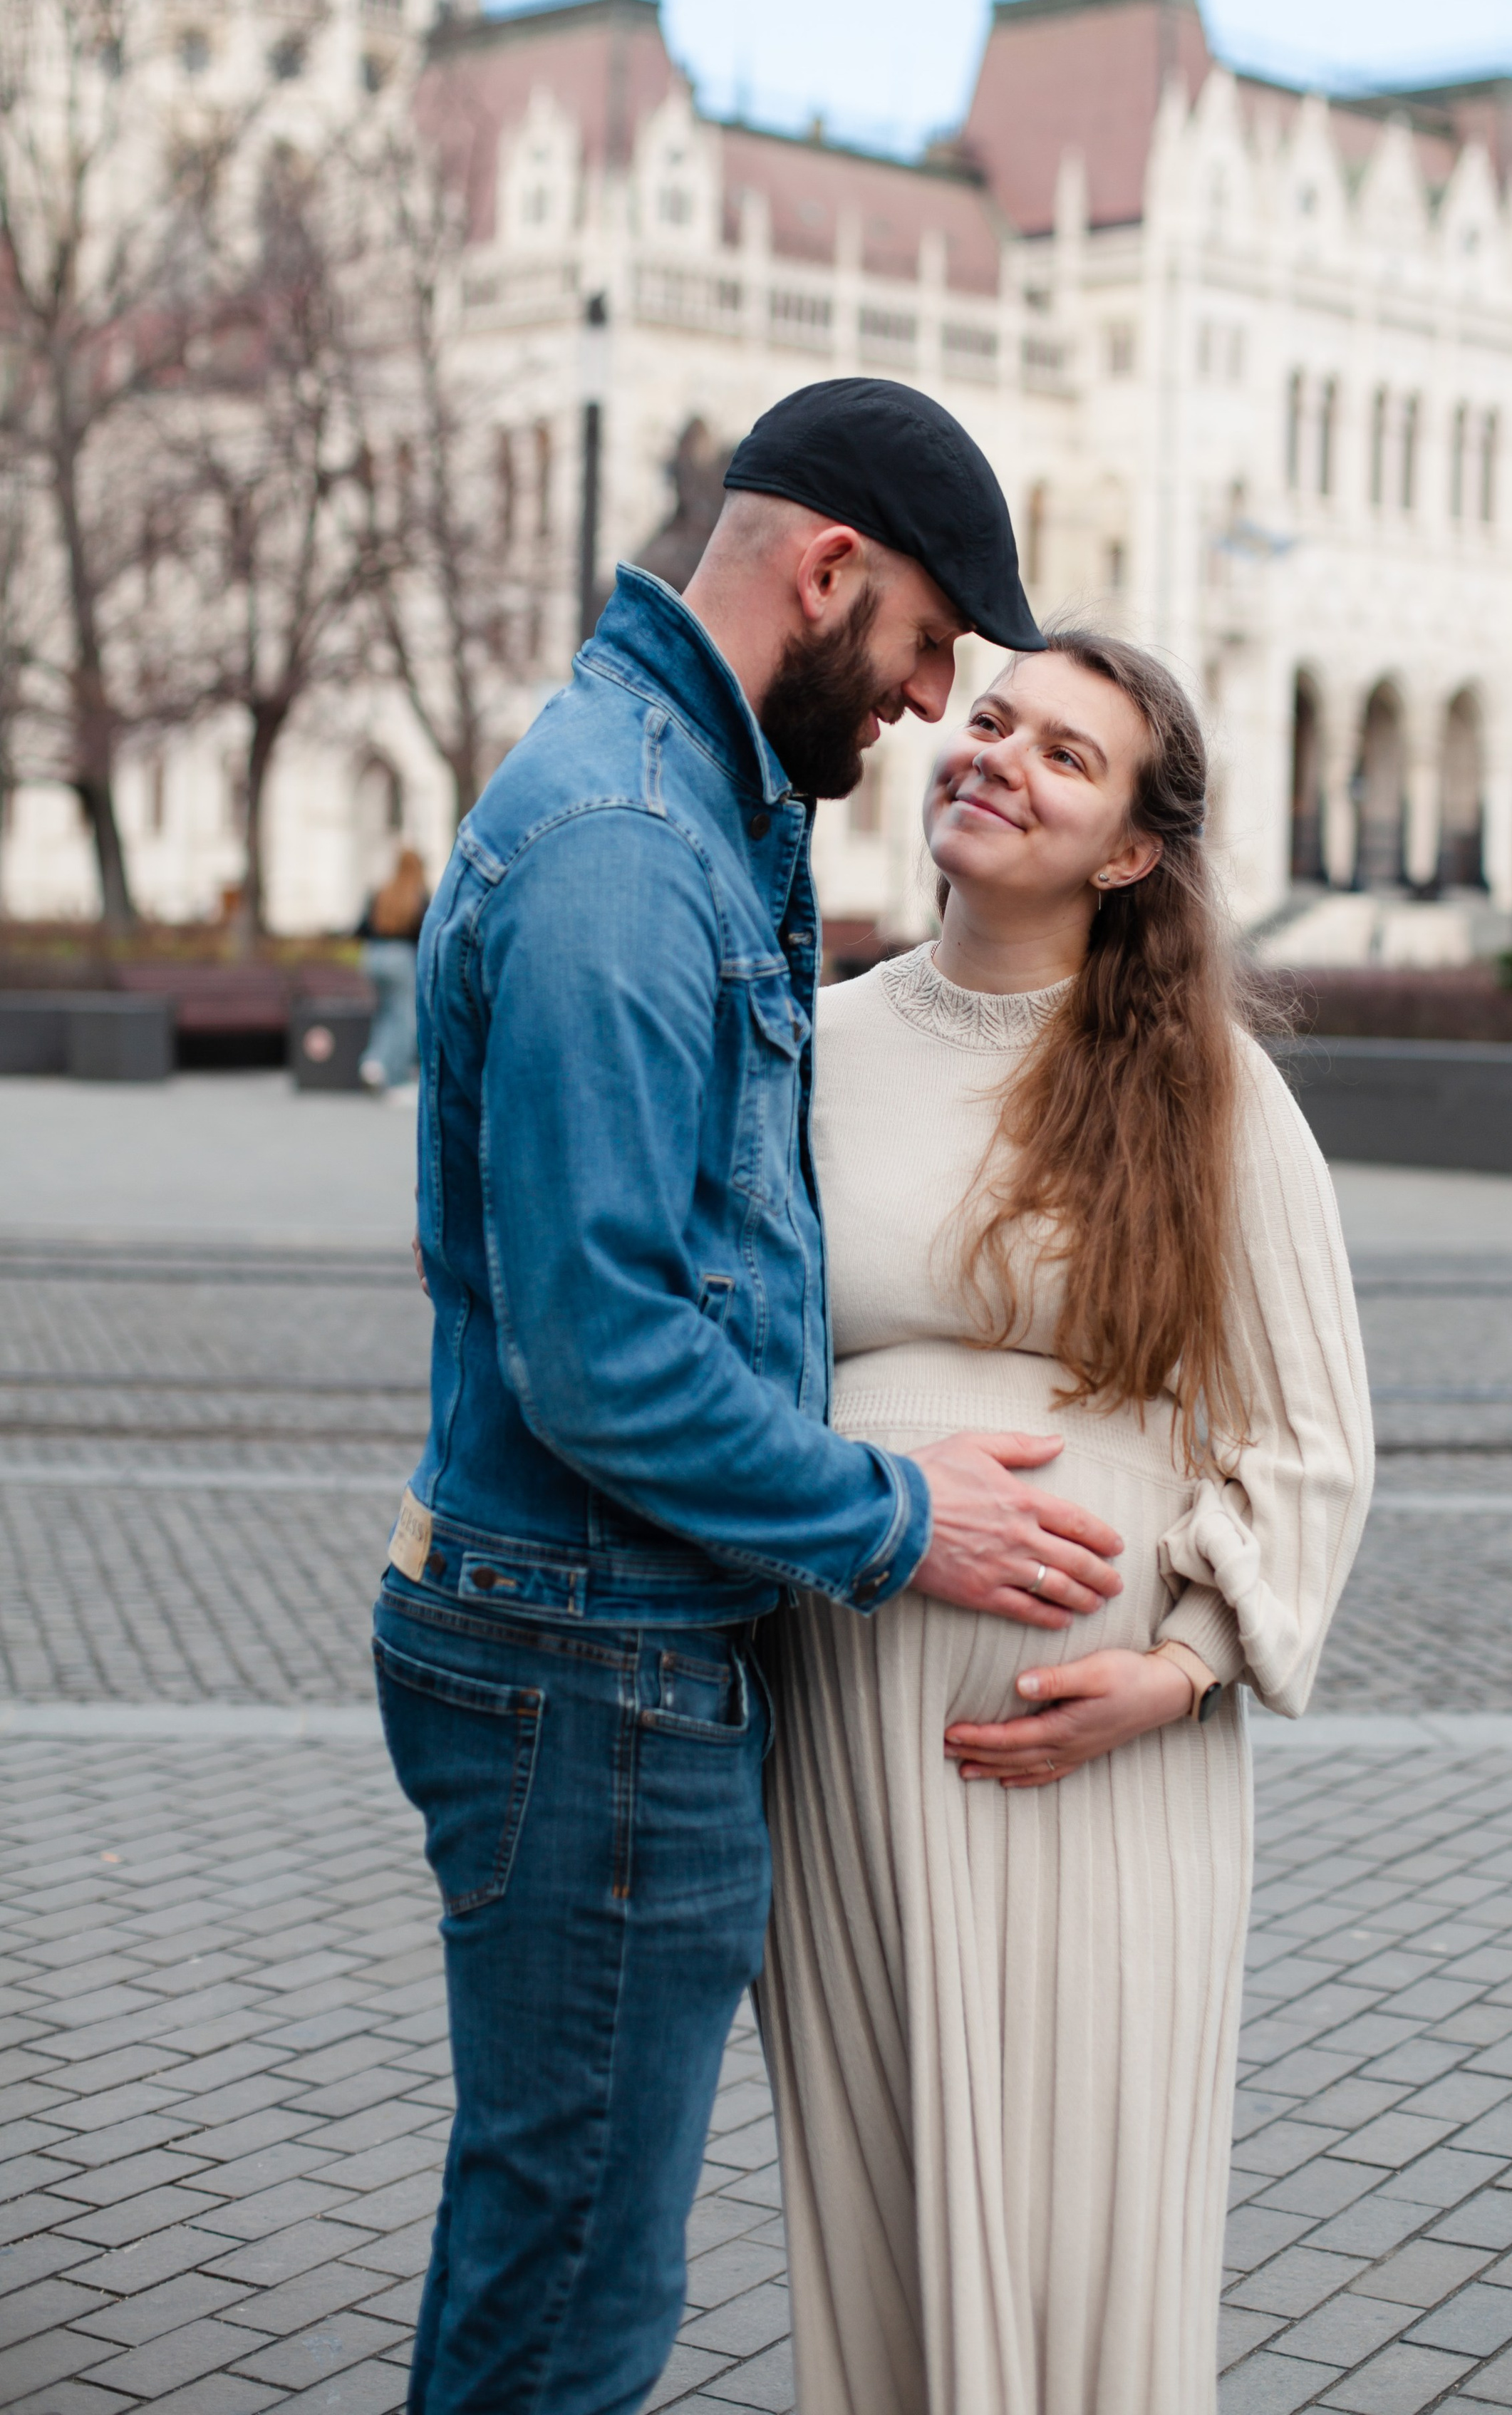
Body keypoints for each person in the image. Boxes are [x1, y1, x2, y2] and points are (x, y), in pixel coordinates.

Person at [373, 380, 1127, 2415]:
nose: (924, 708)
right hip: (590, 1659)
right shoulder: (630, 844)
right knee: (575, 2301)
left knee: (559, 2246)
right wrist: (906, 1518)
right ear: (830, 573)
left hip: (593, 1643)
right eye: (926, 653)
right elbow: (606, 1356)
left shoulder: (698, 802)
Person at [760, 629, 1375, 2415]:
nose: (998, 758)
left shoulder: (1204, 1087)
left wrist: (1179, 1670)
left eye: (1065, 754)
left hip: (1102, 1761)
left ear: (1126, 848)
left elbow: (1310, 1431)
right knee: (878, 2223)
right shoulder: (810, 1039)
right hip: (855, 1740)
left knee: (1086, 2236)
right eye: (987, 722)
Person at [358, 847, 430, 1091]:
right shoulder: (418, 896)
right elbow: (423, 934)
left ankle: (374, 1061)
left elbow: (362, 927)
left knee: (385, 1012)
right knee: (405, 1018)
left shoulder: (381, 892)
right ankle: (395, 1077)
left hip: (373, 955)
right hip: (400, 958)